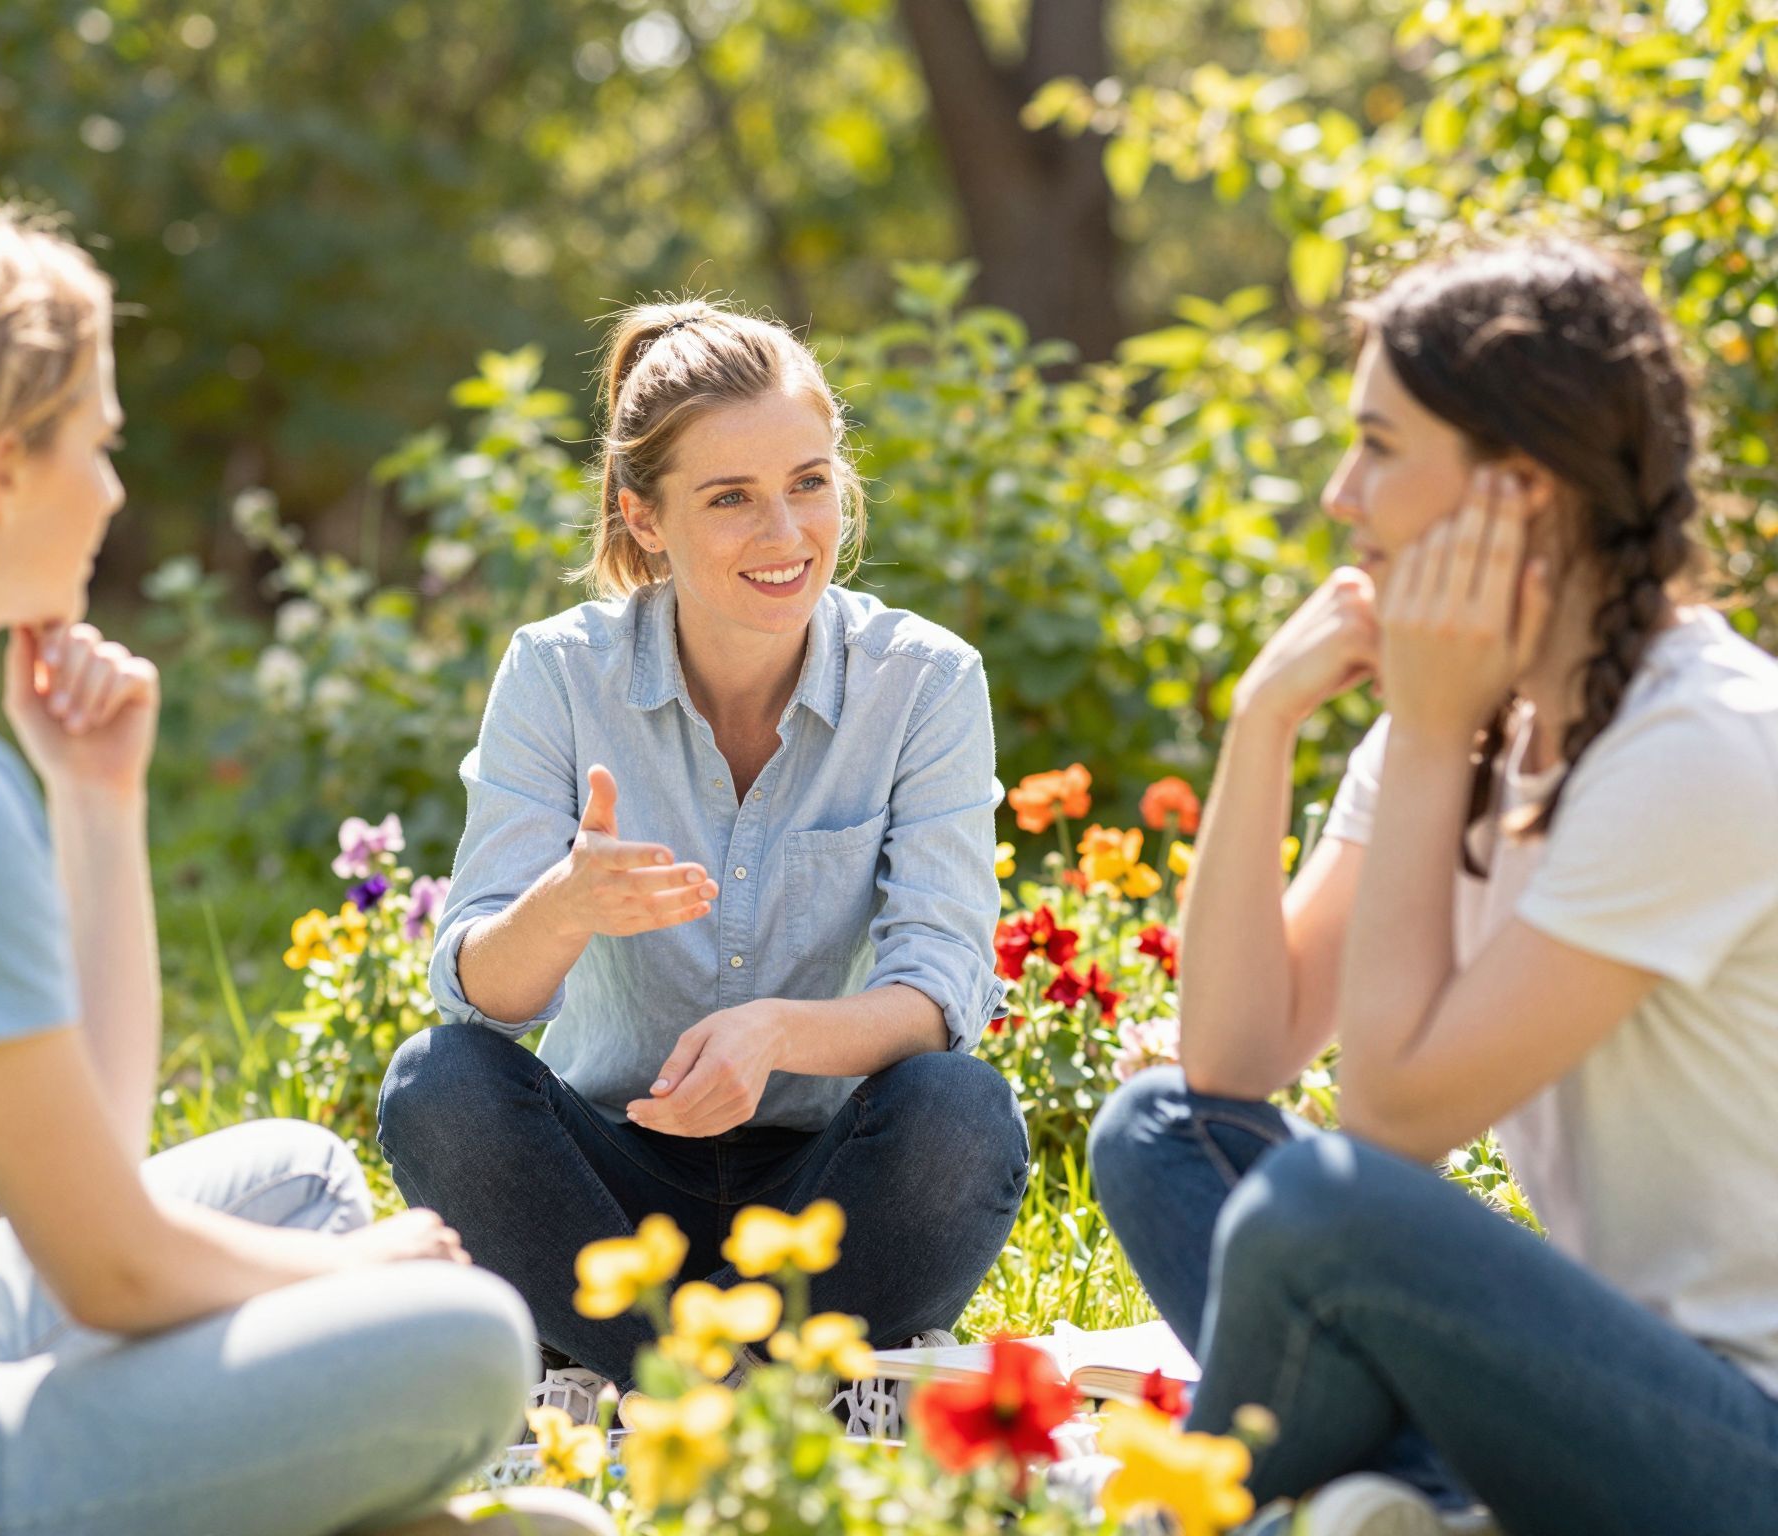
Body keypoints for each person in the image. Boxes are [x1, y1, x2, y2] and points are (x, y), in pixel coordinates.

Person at [0, 192, 604, 1536]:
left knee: (294, 1177)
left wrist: (95, 798)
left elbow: (96, 1156)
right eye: (99, 443)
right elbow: (112, 1279)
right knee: (471, 1337)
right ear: (2, 468)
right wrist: (356, 1284)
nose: (117, 489)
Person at [1088, 238, 1778, 1536]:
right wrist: (1262, 723)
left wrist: (1416, 731)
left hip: (1742, 1452)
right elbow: (1235, 1058)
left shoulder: (1701, 745)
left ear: (1518, 488)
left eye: (1380, 448)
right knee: (1159, 1132)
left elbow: (1390, 1116)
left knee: (1316, 1211)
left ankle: (1215, 1511)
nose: (1342, 494)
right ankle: (1412, 1506)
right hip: (1577, 1384)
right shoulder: (1470, 724)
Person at [376, 299, 1029, 1425]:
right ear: (642, 520)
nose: (784, 534)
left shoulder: (923, 682)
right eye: (729, 498)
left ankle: (646, 1389)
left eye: (809, 482)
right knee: (437, 1085)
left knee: (958, 1115)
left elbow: (939, 989)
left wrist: (776, 1033)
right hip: (610, 1194)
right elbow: (477, 987)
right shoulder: (558, 673)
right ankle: (765, 1395)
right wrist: (564, 907)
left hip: (828, 1190)